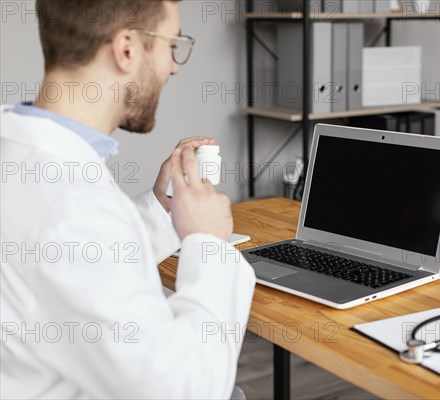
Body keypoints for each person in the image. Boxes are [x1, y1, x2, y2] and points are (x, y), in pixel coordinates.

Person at [0, 1, 255, 398]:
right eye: (173, 45)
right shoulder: (73, 208)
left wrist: (159, 209)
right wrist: (208, 242)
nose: (174, 66)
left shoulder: (19, 149)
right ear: (127, 49)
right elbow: (187, 388)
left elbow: (78, 270)